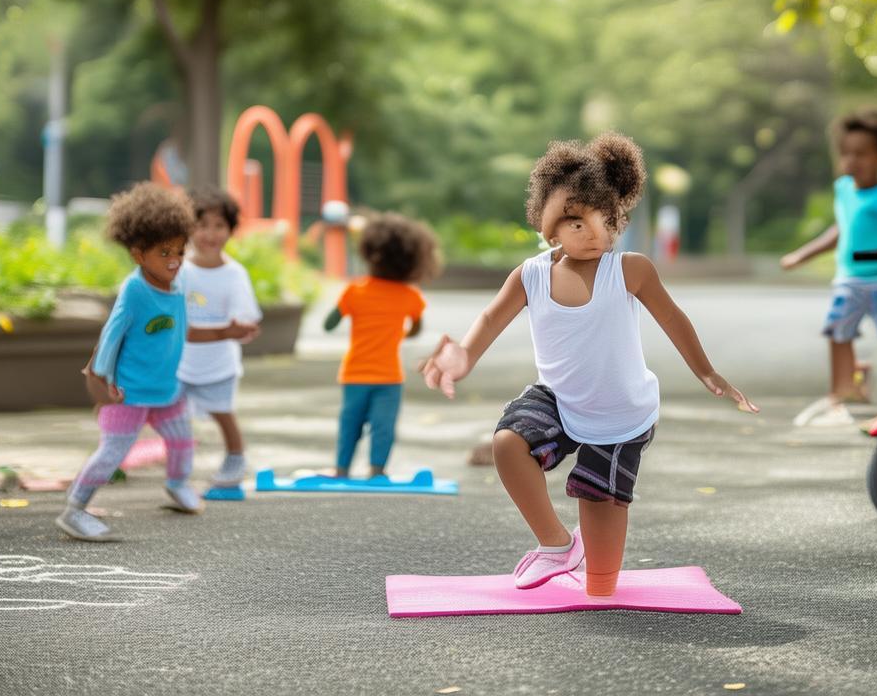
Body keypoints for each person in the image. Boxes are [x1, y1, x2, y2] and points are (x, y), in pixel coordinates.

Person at [420, 132, 756, 598]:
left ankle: (599, 584)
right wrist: (463, 356)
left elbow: (673, 318)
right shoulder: (531, 275)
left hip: (620, 410)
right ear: (548, 225)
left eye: (607, 219)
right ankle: (556, 545)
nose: (595, 233)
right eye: (577, 222)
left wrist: (707, 371)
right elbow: (490, 318)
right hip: (558, 398)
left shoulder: (631, 269)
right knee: (507, 443)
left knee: (601, 505)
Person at [57, 183, 259, 542]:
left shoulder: (177, 284)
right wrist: (100, 389)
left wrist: (226, 331)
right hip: (128, 394)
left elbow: (186, 332)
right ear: (138, 254)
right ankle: (75, 509)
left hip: (167, 391)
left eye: (180, 251)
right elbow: (109, 340)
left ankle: (178, 485)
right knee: (112, 453)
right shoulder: (134, 291)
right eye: (164, 252)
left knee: (182, 442)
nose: (175, 260)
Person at [781, 109, 877, 426]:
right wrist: (803, 254)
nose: (852, 160)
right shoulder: (843, 189)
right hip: (850, 279)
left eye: (862, 154)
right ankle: (842, 394)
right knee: (838, 331)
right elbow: (839, 231)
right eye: (846, 153)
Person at [324, 211, 441, 478]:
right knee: (384, 426)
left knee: (349, 423)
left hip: (355, 374)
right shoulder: (410, 296)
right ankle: (377, 470)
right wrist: (399, 334)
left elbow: (329, 324)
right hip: (389, 377)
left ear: (368, 253)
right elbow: (416, 328)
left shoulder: (355, 291)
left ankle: (341, 469)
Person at [177, 188, 262, 487]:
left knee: (223, 413)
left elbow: (245, 320)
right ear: (187, 229)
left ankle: (236, 457)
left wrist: (243, 329)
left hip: (218, 365)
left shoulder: (234, 274)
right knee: (173, 418)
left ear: (230, 230)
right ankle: (179, 466)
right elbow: (174, 322)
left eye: (219, 226)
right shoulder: (179, 271)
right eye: (201, 225)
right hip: (180, 363)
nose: (210, 234)